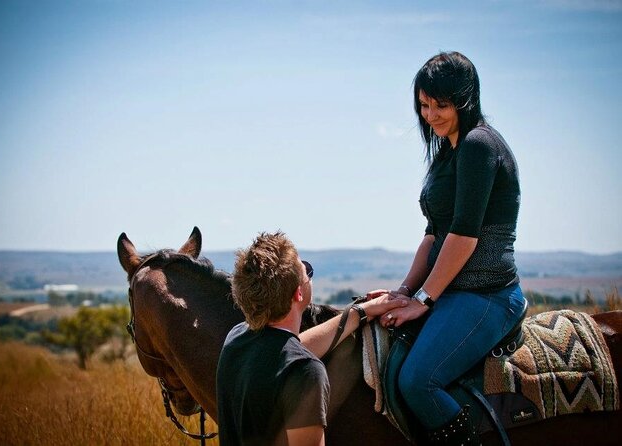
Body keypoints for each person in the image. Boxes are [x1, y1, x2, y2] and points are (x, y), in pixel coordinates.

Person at [374, 51, 528, 445]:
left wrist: (424, 299)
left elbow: (463, 236)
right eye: (424, 105)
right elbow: (432, 234)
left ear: (466, 98)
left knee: (417, 381)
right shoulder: (447, 152)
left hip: (487, 294)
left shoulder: (479, 145)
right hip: (452, 291)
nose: (430, 115)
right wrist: (404, 291)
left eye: (440, 105)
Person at [216, 231, 407, 446]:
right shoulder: (306, 372)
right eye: (305, 270)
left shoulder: (236, 340)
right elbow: (295, 359)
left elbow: (288, 351)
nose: (308, 272)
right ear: (298, 293)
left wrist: (360, 312)